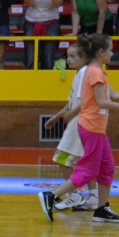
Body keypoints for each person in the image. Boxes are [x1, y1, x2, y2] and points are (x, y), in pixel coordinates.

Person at [39, 33, 119, 224]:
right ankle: (52, 196)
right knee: (88, 170)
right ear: (101, 52)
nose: (112, 54)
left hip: (97, 127)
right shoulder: (94, 72)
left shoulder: (97, 71)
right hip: (91, 126)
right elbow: (102, 102)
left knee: (107, 167)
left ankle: (102, 209)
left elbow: (112, 96)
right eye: (110, 50)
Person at [46, 41, 100, 212]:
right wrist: (57, 117)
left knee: (62, 159)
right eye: (67, 56)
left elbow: (84, 102)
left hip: (80, 122)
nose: (68, 59)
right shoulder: (80, 73)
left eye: (72, 56)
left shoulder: (84, 73)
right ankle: (94, 196)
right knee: (86, 161)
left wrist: (69, 115)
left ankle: (74, 195)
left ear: (83, 58)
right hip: (83, 122)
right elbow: (72, 102)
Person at [23, 0, 64, 70]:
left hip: (51, 22)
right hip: (31, 21)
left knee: (48, 58)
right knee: (30, 59)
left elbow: (58, 4)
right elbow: (28, 3)